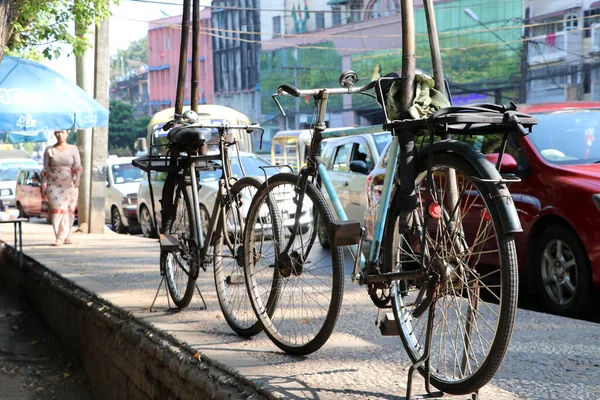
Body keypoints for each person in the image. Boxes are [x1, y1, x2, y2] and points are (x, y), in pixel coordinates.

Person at [41, 130, 82, 246]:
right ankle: (59, 236)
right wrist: (42, 185)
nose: (60, 135)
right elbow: (45, 169)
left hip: (70, 184)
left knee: (69, 210)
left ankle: (66, 234)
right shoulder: (49, 150)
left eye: (62, 132)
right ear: (54, 134)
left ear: (67, 134)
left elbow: (78, 166)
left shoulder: (73, 149)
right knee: (57, 209)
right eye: (57, 133)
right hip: (53, 184)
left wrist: (77, 179)